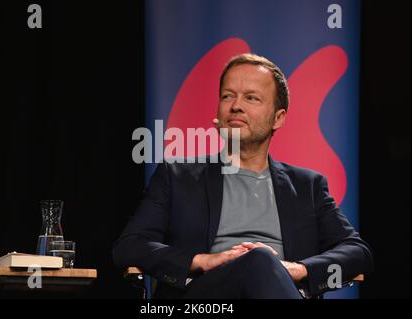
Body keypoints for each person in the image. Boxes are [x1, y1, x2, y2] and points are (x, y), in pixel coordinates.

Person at [113, 53, 373, 298]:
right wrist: (203, 261)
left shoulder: (307, 187)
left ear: (278, 118)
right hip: (204, 299)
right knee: (259, 259)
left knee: (262, 262)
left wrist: (297, 269)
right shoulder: (177, 176)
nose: (236, 106)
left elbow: (357, 252)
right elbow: (129, 246)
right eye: (228, 96)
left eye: (251, 98)